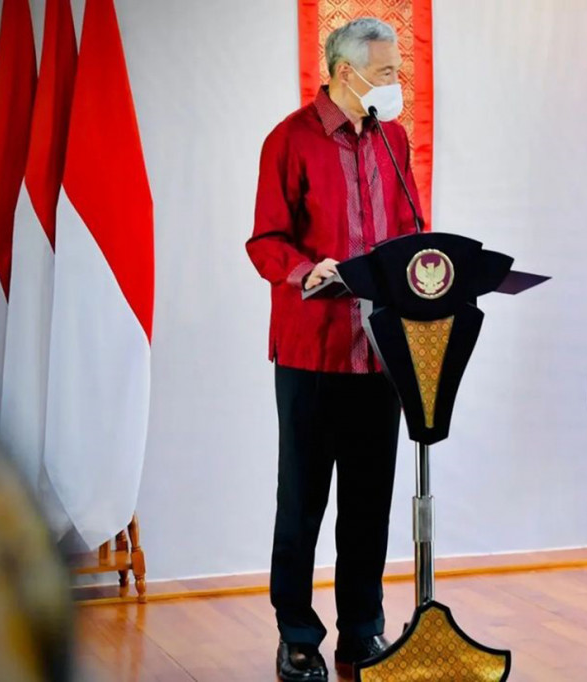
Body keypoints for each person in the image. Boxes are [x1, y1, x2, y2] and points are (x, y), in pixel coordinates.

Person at [246, 16, 421, 682]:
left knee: (370, 500)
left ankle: (362, 632)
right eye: (385, 73)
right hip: (312, 352)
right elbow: (266, 241)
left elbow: (410, 230)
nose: (395, 82)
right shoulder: (289, 140)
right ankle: (297, 634)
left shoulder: (393, 140)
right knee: (303, 500)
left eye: (397, 70)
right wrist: (306, 271)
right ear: (345, 73)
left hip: (381, 351)